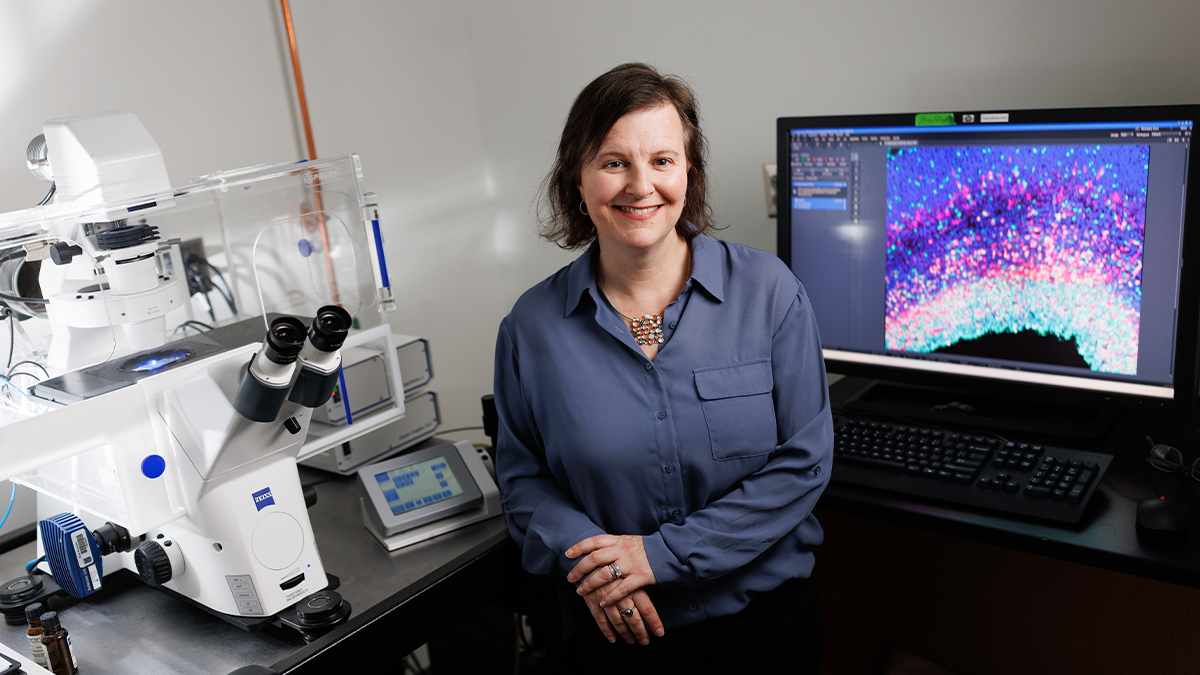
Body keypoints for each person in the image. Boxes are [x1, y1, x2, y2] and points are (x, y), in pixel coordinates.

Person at [493, 62, 832, 672]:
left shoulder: (770, 292)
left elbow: (804, 463)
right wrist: (593, 566)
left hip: (766, 631)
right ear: (578, 177)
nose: (639, 185)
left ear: (689, 172)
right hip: (620, 638)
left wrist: (661, 555)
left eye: (662, 160)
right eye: (613, 161)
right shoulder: (531, 328)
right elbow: (523, 482)